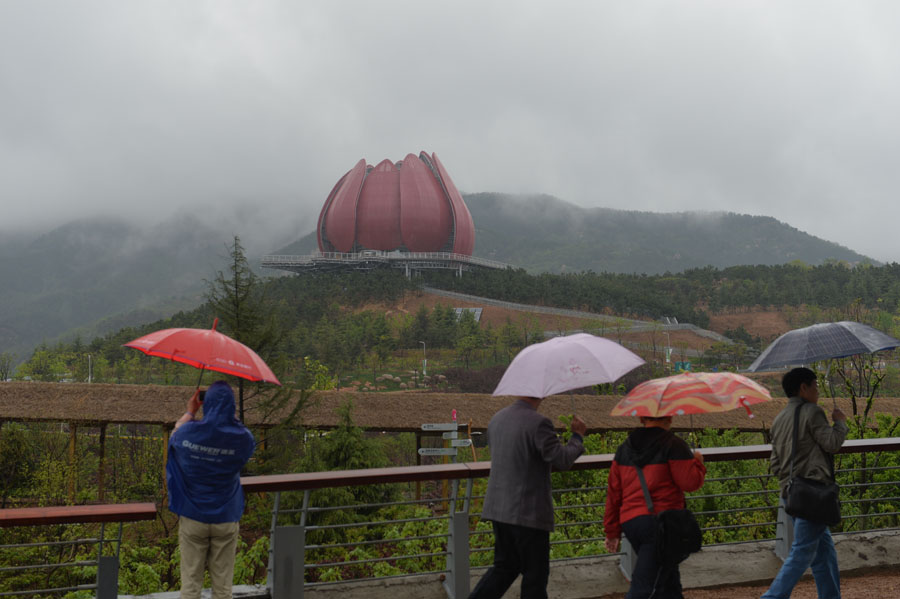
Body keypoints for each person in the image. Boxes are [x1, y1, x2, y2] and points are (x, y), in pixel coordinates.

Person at [468, 396, 587, 599]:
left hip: (499, 509)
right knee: (535, 576)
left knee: (505, 567)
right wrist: (577, 437)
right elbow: (562, 459)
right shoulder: (539, 423)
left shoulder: (497, 419)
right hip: (528, 513)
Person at [762, 367, 847, 599]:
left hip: (792, 493)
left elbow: (776, 464)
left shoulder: (779, 419)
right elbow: (832, 444)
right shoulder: (812, 412)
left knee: (824, 554)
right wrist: (839, 423)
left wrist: (790, 483)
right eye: (815, 385)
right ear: (803, 388)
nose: (818, 390)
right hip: (814, 494)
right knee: (801, 553)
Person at [166, 381, 255, 599]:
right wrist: (229, 418)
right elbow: (245, 438)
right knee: (223, 589)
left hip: (193, 516)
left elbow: (174, 437)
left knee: (190, 586)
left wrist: (190, 412)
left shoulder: (188, 434)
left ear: (206, 403)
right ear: (231, 407)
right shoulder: (242, 439)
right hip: (225, 516)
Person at [604, 415, 706, 599]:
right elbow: (690, 483)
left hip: (632, 523)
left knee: (669, 583)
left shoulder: (624, 449)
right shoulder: (674, 445)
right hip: (662, 525)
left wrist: (612, 531)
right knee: (645, 588)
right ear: (670, 417)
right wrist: (697, 462)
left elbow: (614, 493)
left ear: (642, 418)